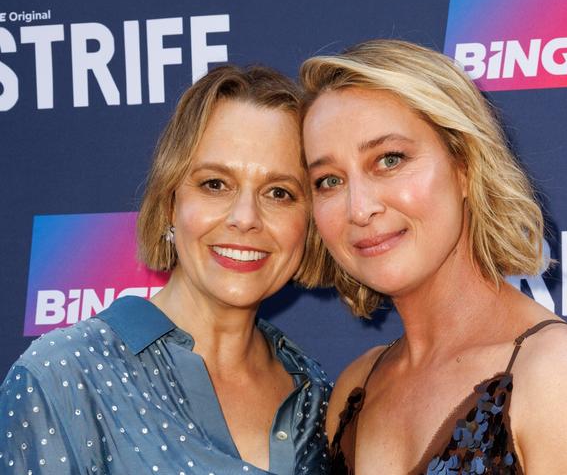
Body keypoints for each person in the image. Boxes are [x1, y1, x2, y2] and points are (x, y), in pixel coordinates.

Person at [299, 39, 567, 474]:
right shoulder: (354, 387)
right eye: (328, 181)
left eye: (389, 159)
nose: (359, 208)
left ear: (464, 166)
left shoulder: (560, 373)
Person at [0, 65, 330, 474]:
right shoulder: (63, 377)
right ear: (171, 202)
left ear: (311, 221)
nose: (245, 218)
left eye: (279, 193)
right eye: (215, 184)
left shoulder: (318, 395)